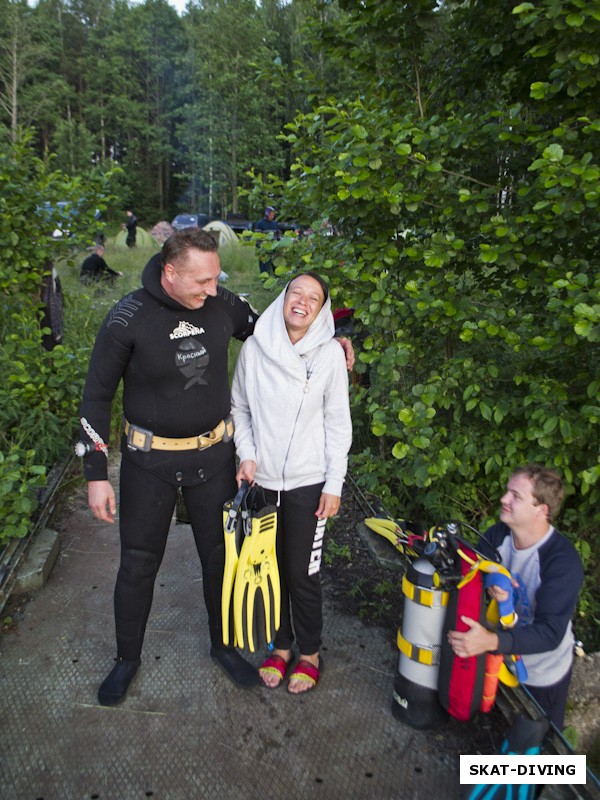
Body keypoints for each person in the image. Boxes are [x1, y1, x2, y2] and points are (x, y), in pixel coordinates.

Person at [77, 229, 354, 706]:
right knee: (139, 565)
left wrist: (341, 336)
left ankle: (223, 647)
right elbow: (95, 397)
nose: (212, 289)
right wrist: (96, 474)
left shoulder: (222, 303)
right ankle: (127, 659)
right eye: (202, 281)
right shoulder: (128, 317)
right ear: (170, 272)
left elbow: (281, 326)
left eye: (215, 278)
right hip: (149, 462)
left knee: (221, 561)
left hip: (213, 460)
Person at [231, 272, 352, 694]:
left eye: (313, 298)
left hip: (308, 484)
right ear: (283, 297)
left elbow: (338, 424)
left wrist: (333, 483)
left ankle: (311, 653)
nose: (302, 301)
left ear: (321, 310)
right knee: (270, 571)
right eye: (295, 292)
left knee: (303, 572)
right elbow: (239, 409)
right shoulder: (254, 349)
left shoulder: (330, 356)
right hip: (261, 484)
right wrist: (246, 453)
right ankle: (281, 647)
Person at [447, 464, 584, 729]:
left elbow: (550, 633)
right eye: (507, 492)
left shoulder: (561, 562)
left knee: (537, 751)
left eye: (516, 496)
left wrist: (490, 640)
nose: (503, 499)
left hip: (542, 674)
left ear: (541, 510)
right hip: (498, 658)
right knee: (494, 731)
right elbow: (471, 570)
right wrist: (488, 582)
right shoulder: (498, 534)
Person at [254, 206, 280, 274]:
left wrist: (278, 245)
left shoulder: (275, 224)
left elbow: (278, 236)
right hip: (264, 250)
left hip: (274, 249)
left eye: (273, 215)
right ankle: (264, 279)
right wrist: (260, 247)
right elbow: (257, 237)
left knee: (275, 266)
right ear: (267, 214)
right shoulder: (260, 224)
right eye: (272, 214)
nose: (273, 216)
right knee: (264, 266)